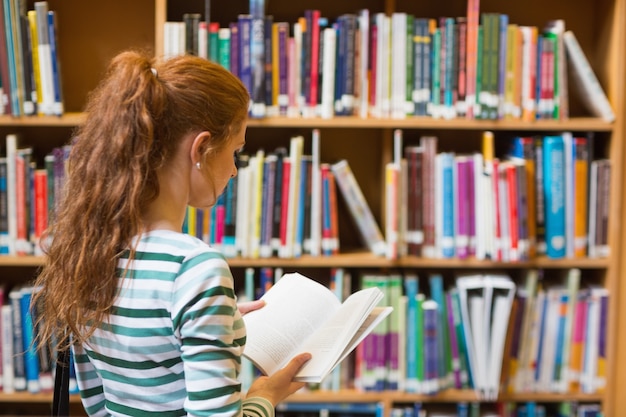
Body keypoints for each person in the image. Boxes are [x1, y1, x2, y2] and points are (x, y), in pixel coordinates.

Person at [32, 50, 311, 417]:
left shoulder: (85, 251)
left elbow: (98, 403)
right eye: (236, 151)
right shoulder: (194, 270)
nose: (233, 171)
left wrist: (208, 322)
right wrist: (264, 396)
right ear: (201, 148)